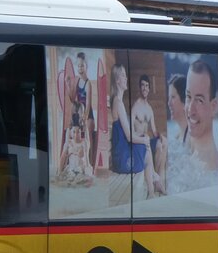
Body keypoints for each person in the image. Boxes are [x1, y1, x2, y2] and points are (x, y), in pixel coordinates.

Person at [108, 64, 161, 196]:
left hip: (121, 151)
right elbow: (129, 137)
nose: (126, 78)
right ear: (117, 80)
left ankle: (151, 190)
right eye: (123, 76)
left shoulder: (118, 101)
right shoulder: (118, 103)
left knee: (145, 146)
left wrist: (144, 138)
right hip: (121, 158)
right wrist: (144, 139)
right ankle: (152, 188)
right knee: (146, 148)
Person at [185, 59, 218, 171]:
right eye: (188, 97)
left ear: (213, 106)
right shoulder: (179, 163)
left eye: (199, 100)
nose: (191, 110)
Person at [66, 52, 97, 174]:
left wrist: (84, 119)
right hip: (80, 115)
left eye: (82, 66)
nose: (80, 68)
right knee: (77, 138)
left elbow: (88, 104)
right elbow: (72, 98)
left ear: (86, 66)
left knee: (88, 140)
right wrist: (68, 85)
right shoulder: (77, 81)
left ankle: (91, 166)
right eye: (78, 66)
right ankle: (79, 165)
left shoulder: (88, 83)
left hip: (88, 116)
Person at [167, 73, 188, 148]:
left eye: (173, 97)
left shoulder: (193, 138)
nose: (169, 103)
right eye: (169, 98)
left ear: (184, 101)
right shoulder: (177, 137)